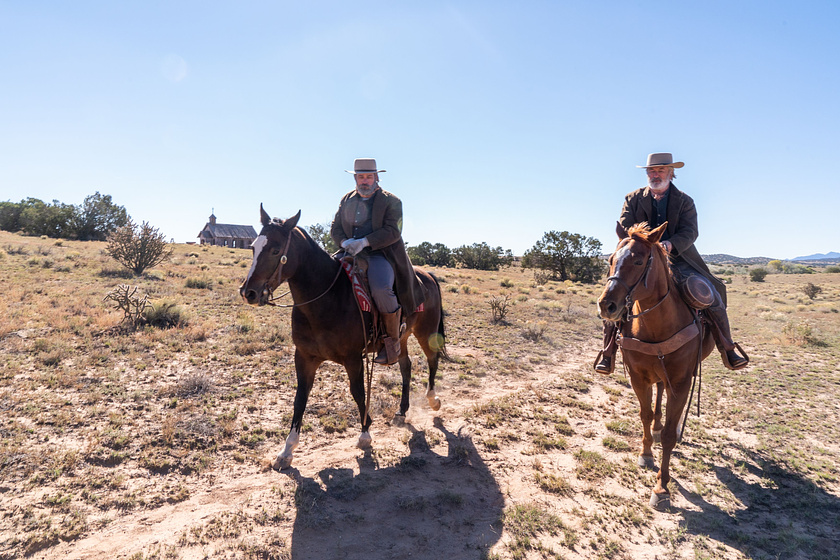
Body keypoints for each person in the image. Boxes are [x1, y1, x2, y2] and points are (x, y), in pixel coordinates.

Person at [595, 152, 749, 374]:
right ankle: (608, 352)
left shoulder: (685, 201)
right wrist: (641, 244)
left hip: (680, 258)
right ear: (647, 173)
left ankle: (727, 348)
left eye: (661, 170)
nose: (655, 174)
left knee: (711, 292)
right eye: (651, 171)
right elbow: (626, 227)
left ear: (671, 173)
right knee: (615, 292)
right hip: (639, 257)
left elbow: (690, 232)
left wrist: (669, 245)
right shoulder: (633, 198)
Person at [331, 158, 426, 365]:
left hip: (380, 255)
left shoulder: (392, 201)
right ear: (355, 178)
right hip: (348, 251)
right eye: (361, 177)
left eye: (369, 176)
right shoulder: (346, 199)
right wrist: (345, 241)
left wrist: (365, 242)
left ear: (376, 177)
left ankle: (391, 343)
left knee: (381, 288)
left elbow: (393, 231)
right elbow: (335, 228)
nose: (364, 181)